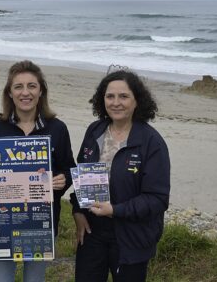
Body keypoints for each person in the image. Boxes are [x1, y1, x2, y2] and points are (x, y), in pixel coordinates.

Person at [70, 70, 170, 282]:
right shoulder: (95, 131)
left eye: (123, 96)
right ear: (102, 99)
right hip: (92, 232)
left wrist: (115, 210)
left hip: (131, 236)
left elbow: (157, 199)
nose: (116, 103)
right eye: (110, 96)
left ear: (137, 101)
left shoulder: (151, 142)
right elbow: (82, 177)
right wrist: (78, 212)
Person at [0, 60, 76, 282]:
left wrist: (62, 180)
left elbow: (70, 168)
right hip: (2, 221)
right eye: (18, 87)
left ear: (41, 90)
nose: (25, 92)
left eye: (31, 86)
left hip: (41, 221)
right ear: (9, 92)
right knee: (1, 280)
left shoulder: (57, 128)